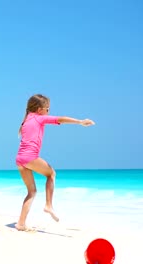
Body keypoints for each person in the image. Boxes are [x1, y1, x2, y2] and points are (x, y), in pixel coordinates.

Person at [15, 94, 95, 231]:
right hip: (30, 157)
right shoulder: (40, 118)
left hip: (20, 159)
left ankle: (21, 224)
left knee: (32, 192)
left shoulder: (26, 120)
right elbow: (61, 119)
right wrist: (80, 122)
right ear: (40, 109)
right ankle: (48, 205)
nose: (49, 111)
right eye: (48, 109)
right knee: (51, 174)